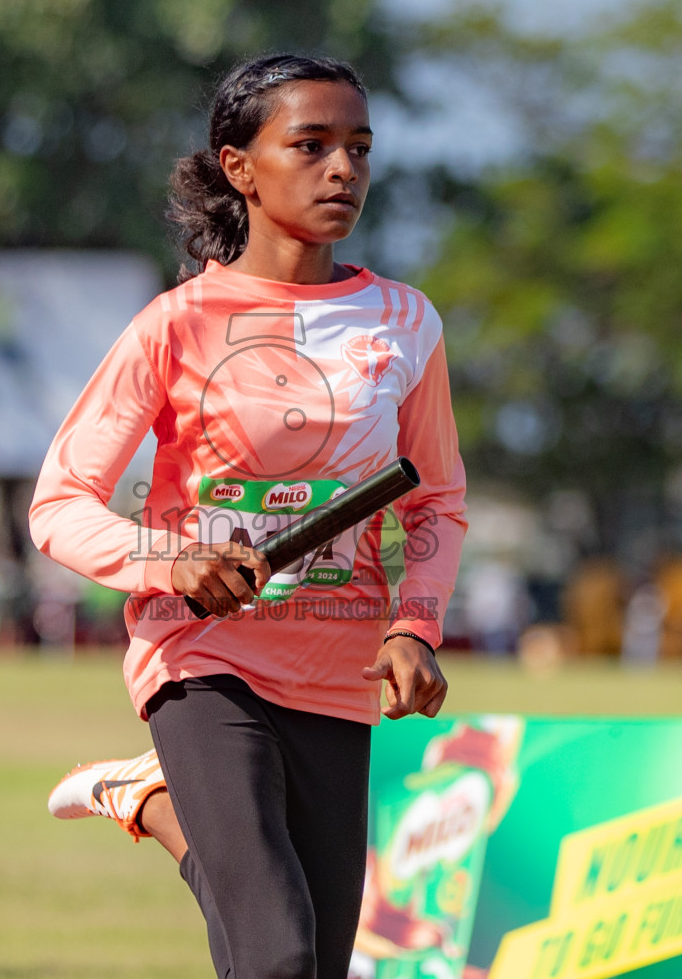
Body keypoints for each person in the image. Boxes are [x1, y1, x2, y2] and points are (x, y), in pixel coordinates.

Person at [26, 53, 468, 979]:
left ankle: (151, 802)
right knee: (276, 956)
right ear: (240, 166)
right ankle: (170, 780)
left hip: (337, 666)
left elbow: (434, 499)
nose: (343, 169)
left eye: (359, 148)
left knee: (294, 963)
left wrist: (413, 625)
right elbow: (60, 505)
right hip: (202, 661)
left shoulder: (405, 322)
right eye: (311, 146)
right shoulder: (174, 326)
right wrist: (172, 563)